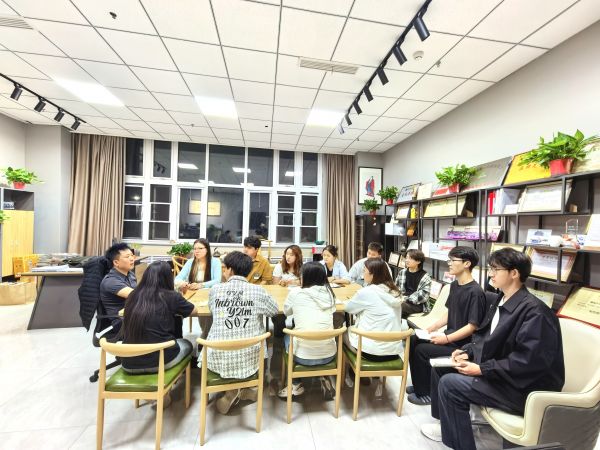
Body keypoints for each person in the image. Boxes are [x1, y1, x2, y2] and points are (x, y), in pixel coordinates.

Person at [421, 248, 565, 450]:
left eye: (495, 269)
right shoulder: (501, 299)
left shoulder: (536, 312)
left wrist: (482, 369)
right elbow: (484, 336)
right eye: (490, 268)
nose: (490, 274)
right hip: (504, 375)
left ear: (514, 273)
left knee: (450, 384)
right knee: (442, 368)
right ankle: (445, 426)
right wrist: (467, 351)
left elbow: (528, 362)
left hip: (523, 388)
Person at [407, 246, 486, 406]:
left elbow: (472, 327)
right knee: (414, 339)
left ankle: (426, 393)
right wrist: (431, 328)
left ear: (467, 264)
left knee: (422, 350)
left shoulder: (476, 292)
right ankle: (420, 384)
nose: (449, 263)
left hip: (462, 346)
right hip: (449, 337)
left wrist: (446, 338)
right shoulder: (455, 285)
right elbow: (450, 312)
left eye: (453, 260)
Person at [206, 251, 279, 415]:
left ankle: (234, 390)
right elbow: (274, 311)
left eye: (224, 268)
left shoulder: (215, 290)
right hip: (250, 360)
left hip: (218, 360)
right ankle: (242, 389)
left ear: (230, 270)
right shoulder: (257, 291)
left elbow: (212, 310)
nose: (223, 271)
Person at [121, 262, 197, 408]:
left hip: (129, 362)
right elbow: (194, 311)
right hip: (161, 361)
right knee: (187, 343)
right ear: (168, 278)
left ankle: (155, 390)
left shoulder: (133, 296)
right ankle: (166, 388)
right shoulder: (171, 296)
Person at [344, 258, 405, 395]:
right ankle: (373, 374)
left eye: (364, 271)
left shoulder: (367, 292)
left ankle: (353, 372)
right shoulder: (396, 292)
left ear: (373, 274)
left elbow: (349, 308)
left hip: (370, 353)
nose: (362, 274)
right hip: (392, 351)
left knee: (343, 333)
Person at [277, 262, 337, 400]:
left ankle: (296, 384)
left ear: (307, 277)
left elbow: (286, 311)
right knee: (318, 333)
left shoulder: (296, 292)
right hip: (329, 354)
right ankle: (324, 375)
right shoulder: (330, 294)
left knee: (287, 335)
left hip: (301, 357)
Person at [175, 238, 222, 340]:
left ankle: (205, 336)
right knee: (176, 310)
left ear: (207, 249)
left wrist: (201, 285)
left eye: (200, 248)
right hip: (191, 294)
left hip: (208, 294)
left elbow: (217, 280)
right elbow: (178, 278)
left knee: (205, 311)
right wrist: (183, 283)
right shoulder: (190, 262)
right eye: (195, 248)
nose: (197, 251)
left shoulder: (215, 262)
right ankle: (177, 337)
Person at [99, 242, 137, 335]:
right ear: (116, 262)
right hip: (122, 322)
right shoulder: (111, 281)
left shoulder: (130, 275)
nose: (132, 258)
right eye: (127, 257)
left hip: (134, 314)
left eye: (132, 255)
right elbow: (137, 296)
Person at [395, 249, 432, 318]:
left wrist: (405, 299)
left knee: (398, 306)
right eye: (406, 257)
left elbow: (423, 296)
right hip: (402, 300)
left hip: (417, 305)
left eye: (410, 258)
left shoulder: (425, 277)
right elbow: (396, 287)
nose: (407, 260)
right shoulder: (402, 272)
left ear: (418, 261)